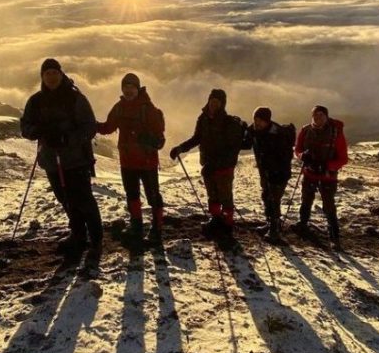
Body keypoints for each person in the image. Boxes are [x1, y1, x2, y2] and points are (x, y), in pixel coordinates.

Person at [21, 58, 103, 260]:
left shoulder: (75, 99)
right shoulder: (36, 101)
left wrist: (68, 138)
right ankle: (78, 235)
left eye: (54, 73)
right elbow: (25, 127)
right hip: (52, 161)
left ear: (61, 74)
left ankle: (96, 240)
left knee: (84, 200)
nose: (51, 77)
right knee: (66, 200)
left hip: (76, 160)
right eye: (47, 73)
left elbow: (89, 126)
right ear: (42, 76)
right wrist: (38, 131)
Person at [97, 73, 166, 246]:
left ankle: (156, 229)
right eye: (125, 87)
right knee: (132, 195)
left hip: (146, 162)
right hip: (128, 161)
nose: (128, 90)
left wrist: (148, 139)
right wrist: (90, 124)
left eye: (131, 87)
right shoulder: (119, 107)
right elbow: (108, 127)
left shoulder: (147, 108)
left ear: (137, 88)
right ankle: (137, 227)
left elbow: (159, 137)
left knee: (152, 195)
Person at [170, 89, 247, 241]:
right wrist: (180, 148)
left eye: (217, 102)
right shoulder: (203, 118)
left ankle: (227, 224)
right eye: (212, 100)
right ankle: (217, 219)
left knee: (225, 197)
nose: (213, 104)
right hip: (208, 165)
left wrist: (215, 163)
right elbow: (197, 138)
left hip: (223, 167)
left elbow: (232, 149)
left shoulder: (228, 123)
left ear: (222, 104)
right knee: (213, 195)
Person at [292, 105, 348, 250]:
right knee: (306, 200)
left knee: (328, 205)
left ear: (327, 116)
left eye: (321, 115)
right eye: (315, 116)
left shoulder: (336, 133)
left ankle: (334, 237)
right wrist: (302, 156)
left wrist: (328, 166)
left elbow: (343, 158)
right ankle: (303, 225)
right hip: (309, 173)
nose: (318, 118)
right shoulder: (305, 131)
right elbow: (297, 149)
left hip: (328, 176)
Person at [245, 107, 296, 244]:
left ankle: (275, 230)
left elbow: (286, 155)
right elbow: (245, 144)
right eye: (255, 119)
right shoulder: (254, 130)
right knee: (267, 197)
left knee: (274, 200)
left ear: (267, 121)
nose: (256, 123)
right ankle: (270, 224)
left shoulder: (278, 133)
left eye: (260, 120)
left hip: (279, 172)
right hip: (265, 172)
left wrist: (274, 168)